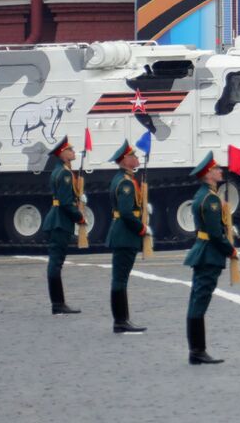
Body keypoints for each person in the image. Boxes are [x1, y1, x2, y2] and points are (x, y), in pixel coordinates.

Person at [185, 151, 236, 364]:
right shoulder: (210, 199)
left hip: (203, 250)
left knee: (197, 299)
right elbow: (215, 233)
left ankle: (197, 350)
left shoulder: (204, 195)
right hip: (209, 254)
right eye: (216, 169)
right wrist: (230, 250)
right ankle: (197, 351)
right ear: (208, 174)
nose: (220, 171)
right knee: (199, 301)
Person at [106, 140, 147, 334]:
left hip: (123, 233)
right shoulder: (125, 183)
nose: (137, 158)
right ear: (125, 160)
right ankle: (121, 321)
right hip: (125, 234)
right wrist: (142, 228)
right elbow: (126, 212)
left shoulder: (124, 179)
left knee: (120, 278)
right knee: (120, 279)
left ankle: (122, 320)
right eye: (133, 156)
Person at [41, 135, 84, 315]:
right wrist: (79, 217)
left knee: (55, 262)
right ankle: (58, 304)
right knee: (56, 263)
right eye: (70, 149)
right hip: (60, 222)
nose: (73, 152)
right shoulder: (65, 173)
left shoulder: (58, 170)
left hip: (56, 219)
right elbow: (66, 203)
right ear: (62, 153)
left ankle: (58, 303)